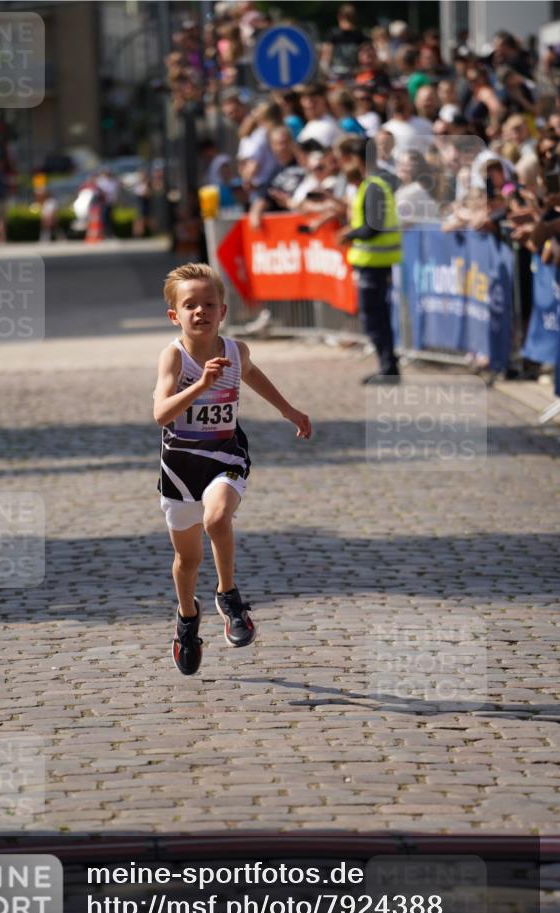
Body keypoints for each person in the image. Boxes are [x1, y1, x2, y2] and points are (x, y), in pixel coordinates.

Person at [154, 263, 312, 675]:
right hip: (179, 467)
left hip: (226, 454)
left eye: (209, 304)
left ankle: (229, 596)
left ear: (223, 311)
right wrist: (200, 386)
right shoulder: (174, 356)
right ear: (175, 315)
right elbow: (160, 413)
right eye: (190, 305)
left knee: (218, 517)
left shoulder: (235, 351)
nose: (200, 312)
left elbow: (254, 376)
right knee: (186, 562)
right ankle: (187, 620)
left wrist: (289, 410)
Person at [335, 139, 403, 384]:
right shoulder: (372, 184)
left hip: (375, 263)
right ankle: (388, 367)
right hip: (373, 263)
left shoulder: (373, 186)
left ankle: (388, 368)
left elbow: (372, 227)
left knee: (375, 319)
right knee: (377, 318)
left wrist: (348, 234)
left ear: (357, 159)